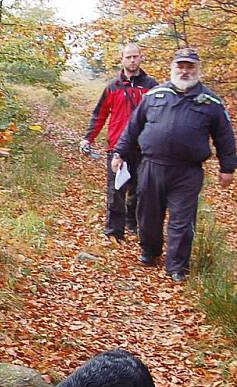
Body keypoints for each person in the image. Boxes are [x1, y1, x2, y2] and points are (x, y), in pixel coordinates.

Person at [112, 48, 237, 282]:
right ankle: (150, 252)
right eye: (180, 66)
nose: (185, 71)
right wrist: (119, 152)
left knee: (181, 220)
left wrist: (227, 167)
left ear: (198, 70)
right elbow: (133, 127)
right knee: (148, 215)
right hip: (151, 166)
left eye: (190, 66)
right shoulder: (155, 95)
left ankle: (177, 266)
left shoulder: (210, 102)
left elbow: (225, 136)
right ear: (173, 68)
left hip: (187, 172)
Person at [81, 43, 158, 241]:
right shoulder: (112, 87)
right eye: (128, 57)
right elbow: (99, 115)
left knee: (142, 190)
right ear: (122, 59)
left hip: (145, 148)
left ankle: (135, 225)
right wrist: (88, 138)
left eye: (135, 57)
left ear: (141, 58)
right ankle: (114, 232)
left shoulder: (152, 86)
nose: (132, 60)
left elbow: (161, 115)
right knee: (116, 191)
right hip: (117, 148)